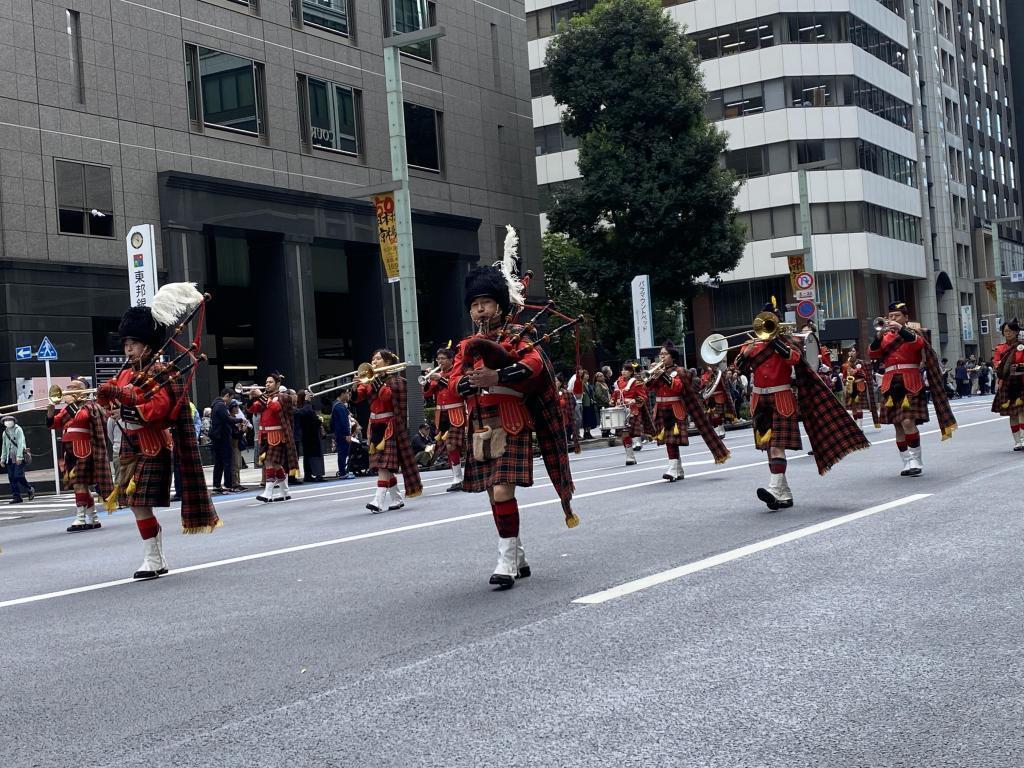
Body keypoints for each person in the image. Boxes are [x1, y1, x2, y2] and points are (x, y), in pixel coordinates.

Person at [450, 264, 577, 589]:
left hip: (512, 419)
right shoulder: (465, 347)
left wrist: (498, 376)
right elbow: (452, 385)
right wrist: (467, 382)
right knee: (494, 494)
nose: (480, 309)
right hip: (481, 425)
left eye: (487, 302)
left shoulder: (518, 336)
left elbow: (535, 366)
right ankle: (517, 555)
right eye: (475, 303)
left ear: (501, 306)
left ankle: (505, 560)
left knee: (503, 488)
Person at [97, 286, 219, 579]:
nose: (128, 348)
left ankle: (153, 558)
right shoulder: (125, 373)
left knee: (139, 501)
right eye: (125, 342)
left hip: (152, 444)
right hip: (128, 444)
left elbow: (158, 409)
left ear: (148, 345)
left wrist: (124, 402)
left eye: (134, 343)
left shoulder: (160, 371)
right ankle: (155, 556)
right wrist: (108, 404)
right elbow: (113, 402)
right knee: (134, 505)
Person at [735, 301, 869, 510]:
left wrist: (774, 341)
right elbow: (740, 368)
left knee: (777, 446)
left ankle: (773, 488)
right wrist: (745, 353)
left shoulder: (788, 341)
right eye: (764, 321)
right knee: (770, 449)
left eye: (771, 321)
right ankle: (784, 493)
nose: (766, 325)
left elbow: (794, 359)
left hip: (781, 398)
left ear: (778, 323)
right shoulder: (751, 345)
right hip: (759, 400)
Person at [868, 301, 956, 477]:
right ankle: (906, 461)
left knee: (908, 421)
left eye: (897, 316)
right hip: (889, 383)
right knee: (898, 426)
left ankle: (916, 460)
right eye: (890, 316)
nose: (892, 319)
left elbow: (917, 344)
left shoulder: (914, 333)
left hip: (911, 381)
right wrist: (878, 337)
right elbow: (872, 354)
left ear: (906, 318)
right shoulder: (884, 337)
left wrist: (899, 329)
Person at [646, 341, 729, 482]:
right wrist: (653, 375)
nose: (661, 357)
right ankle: (678, 469)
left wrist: (662, 375)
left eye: (665, 354)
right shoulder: (659, 371)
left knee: (671, 440)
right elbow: (649, 387)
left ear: (672, 356)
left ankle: (672, 469)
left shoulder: (680, 371)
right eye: (660, 355)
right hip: (660, 409)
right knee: (668, 440)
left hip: (675, 409)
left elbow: (677, 387)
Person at [355, 349, 422, 513]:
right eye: (373, 358)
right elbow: (358, 398)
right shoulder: (372, 380)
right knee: (381, 465)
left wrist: (377, 382)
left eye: (378, 359)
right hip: (375, 425)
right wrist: (356, 384)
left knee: (384, 465)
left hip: (390, 426)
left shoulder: (398, 380)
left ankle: (378, 500)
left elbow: (387, 397)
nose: (374, 361)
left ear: (388, 362)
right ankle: (397, 499)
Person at [47, 379, 113, 531]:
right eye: (68, 387)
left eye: (73, 387)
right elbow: (53, 424)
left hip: (84, 449)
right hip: (69, 450)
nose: (68, 390)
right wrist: (51, 409)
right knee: (79, 484)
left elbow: (81, 418)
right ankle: (94, 518)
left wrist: (70, 404)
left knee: (79, 483)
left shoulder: (91, 405)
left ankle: (80, 518)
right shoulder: (67, 409)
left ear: (82, 390)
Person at [248, 372, 299, 502]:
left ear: (277, 384)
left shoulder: (283, 397)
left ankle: (268, 492)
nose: (267, 384)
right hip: (264, 435)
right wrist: (251, 398)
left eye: (270, 382)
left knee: (269, 462)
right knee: (275, 465)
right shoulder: (266, 398)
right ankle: (285, 491)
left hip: (277, 435)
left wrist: (261, 396)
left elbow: (276, 407)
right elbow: (254, 409)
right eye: (266, 382)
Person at [422, 346, 467, 491]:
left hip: (456, 412)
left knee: (452, 445)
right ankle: (458, 477)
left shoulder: (457, 371)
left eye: (443, 359)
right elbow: (428, 394)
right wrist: (428, 381)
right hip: (441, 415)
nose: (440, 361)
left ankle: (458, 477)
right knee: (447, 447)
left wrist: (440, 379)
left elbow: (455, 389)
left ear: (451, 359)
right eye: (438, 359)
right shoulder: (439, 373)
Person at [611, 361, 653, 466]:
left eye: (626, 370)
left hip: (632, 410)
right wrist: (612, 400)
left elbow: (643, 396)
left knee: (626, 432)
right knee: (624, 434)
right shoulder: (618, 382)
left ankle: (630, 455)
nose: (623, 372)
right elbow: (615, 394)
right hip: (620, 410)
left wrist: (634, 400)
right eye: (622, 369)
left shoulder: (636, 382)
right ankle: (630, 456)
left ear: (631, 372)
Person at [991, 318, 1024, 450]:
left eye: (1010, 331)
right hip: (1007, 383)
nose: (1007, 333)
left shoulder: (1022, 346)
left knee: (1022, 411)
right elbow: (996, 364)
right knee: (1012, 413)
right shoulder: (1000, 348)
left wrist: (1018, 368)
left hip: (1022, 382)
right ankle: (1017, 442)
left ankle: (1023, 439)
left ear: (1016, 332)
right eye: (1005, 331)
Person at [1, 415, 34, 504]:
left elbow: (21, 443)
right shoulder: (5, 433)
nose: (7, 421)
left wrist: (19, 457)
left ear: (13, 421)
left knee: (18, 476)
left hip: (19, 457)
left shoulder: (18, 429)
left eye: (9, 420)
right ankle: (17, 496)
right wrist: (2, 459)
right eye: (6, 420)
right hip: (10, 457)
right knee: (11, 477)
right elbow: (4, 446)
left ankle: (29, 488)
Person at [296, 391, 326, 482]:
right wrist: (319, 420)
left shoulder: (301, 407)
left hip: (307, 434)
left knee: (308, 455)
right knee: (315, 455)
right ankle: (317, 474)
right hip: (311, 434)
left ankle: (308, 474)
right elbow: (310, 415)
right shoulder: (304, 407)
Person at [209, 389, 235, 494]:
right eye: (231, 398)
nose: (230, 401)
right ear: (227, 395)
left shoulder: (215, 404)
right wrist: (239, 420)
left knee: (219, 462)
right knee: (227, 461)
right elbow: (227, 419)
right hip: (223, 437)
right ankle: (228, 485)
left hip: (217, 437)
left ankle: (217, 484)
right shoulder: (221, 405)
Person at [700, 363, 736, 438]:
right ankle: (717, 431)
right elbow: (703, 386)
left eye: (712, 366)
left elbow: (724, 382)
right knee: (713, 416)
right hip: (710, 398)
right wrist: (707, 381)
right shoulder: (704, 375)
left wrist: (717, 373)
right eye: (709, 366)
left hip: (719, 397)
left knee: (719, 415)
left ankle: (721, 430)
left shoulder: (720, 374)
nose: (710, 367)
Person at [330, 389, 355, 479]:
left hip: (338, 433)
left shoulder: (335, 405)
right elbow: (344, 422)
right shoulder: (340, 407)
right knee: (343, 453)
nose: (348, 395)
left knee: (342, 453)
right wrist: (347, 434)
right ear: (342, 394)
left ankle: (342, 472)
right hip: (343, 434)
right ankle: (343, 473)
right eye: (347, 394)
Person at [228, 400, 249, 490]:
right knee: (235, 464)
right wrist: (242, 430)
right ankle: (235, 483)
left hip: (236, 443)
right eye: (236, 407)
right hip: (234, 444)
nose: (238, 409)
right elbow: (235, 434)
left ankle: (237, 482)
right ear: (232, 408)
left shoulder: (234, 418)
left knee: (238, 464)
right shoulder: (231, 419)